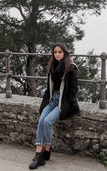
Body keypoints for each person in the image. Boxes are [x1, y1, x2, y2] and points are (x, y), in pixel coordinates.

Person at [29, 42, 80, 170]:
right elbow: (48, 89)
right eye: (55, 52)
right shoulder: (52, 67)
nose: (57, 54)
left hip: (63, 102)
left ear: (65, 53)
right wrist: (44, 102)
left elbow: (73, 91)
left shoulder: (71, 68)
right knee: (41, 120)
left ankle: (47, 149)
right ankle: (39, 154)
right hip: (52, 100)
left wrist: (70, 106)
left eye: (60, 52)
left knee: (48, 121)